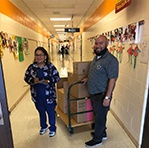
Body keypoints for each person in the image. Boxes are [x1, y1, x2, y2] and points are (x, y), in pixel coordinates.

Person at [82, 35, 119, 147]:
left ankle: (97, 139)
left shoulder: (111, 60)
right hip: (94, 93)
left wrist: (107, 97)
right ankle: (102, 133)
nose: (98, 46)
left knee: (100, 117)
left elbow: (113, 79)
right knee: (99, 115)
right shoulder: (97, 57)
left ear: (106, 44)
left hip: (102, 94)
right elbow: (98, 73)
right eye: (97, 43)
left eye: (101, 43)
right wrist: (88, 78)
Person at [24, 46, 60, 137]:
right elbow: (26, 77)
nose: (39, 57)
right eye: (37, 55)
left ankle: (52, 128)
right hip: (37, 95)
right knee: (41, 111)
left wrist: (49, 80)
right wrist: (32, 80)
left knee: (51, 111)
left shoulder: (50, 67)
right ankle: (43, 126)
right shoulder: (32, 68)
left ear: (45, 56)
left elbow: (57, 77)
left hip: (49, 96)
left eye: (41, 55)